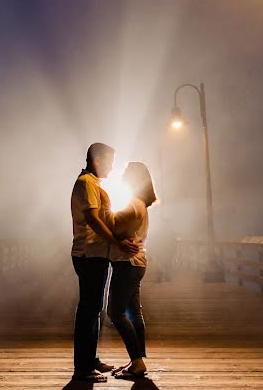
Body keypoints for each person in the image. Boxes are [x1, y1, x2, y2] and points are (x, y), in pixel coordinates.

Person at [70, 142, 139, 383]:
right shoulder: (87, 183)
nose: (111, 167)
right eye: (109, 161)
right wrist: (118, 243)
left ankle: (91, 359)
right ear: (97, 160)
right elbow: (93, 219)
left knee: (93, 309)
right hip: (89, 254)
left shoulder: (91, 183)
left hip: (95, 254)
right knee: (89, 310)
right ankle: (83, 367)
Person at [107, 161, 157, 379]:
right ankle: (137, 360)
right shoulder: (140, 204)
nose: (123, 174)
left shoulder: (133, 204)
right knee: (133, 312)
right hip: (136, 262)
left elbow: (113, 227)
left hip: (127, 263)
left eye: (127, 172)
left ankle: (137, 361)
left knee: (115, 313)